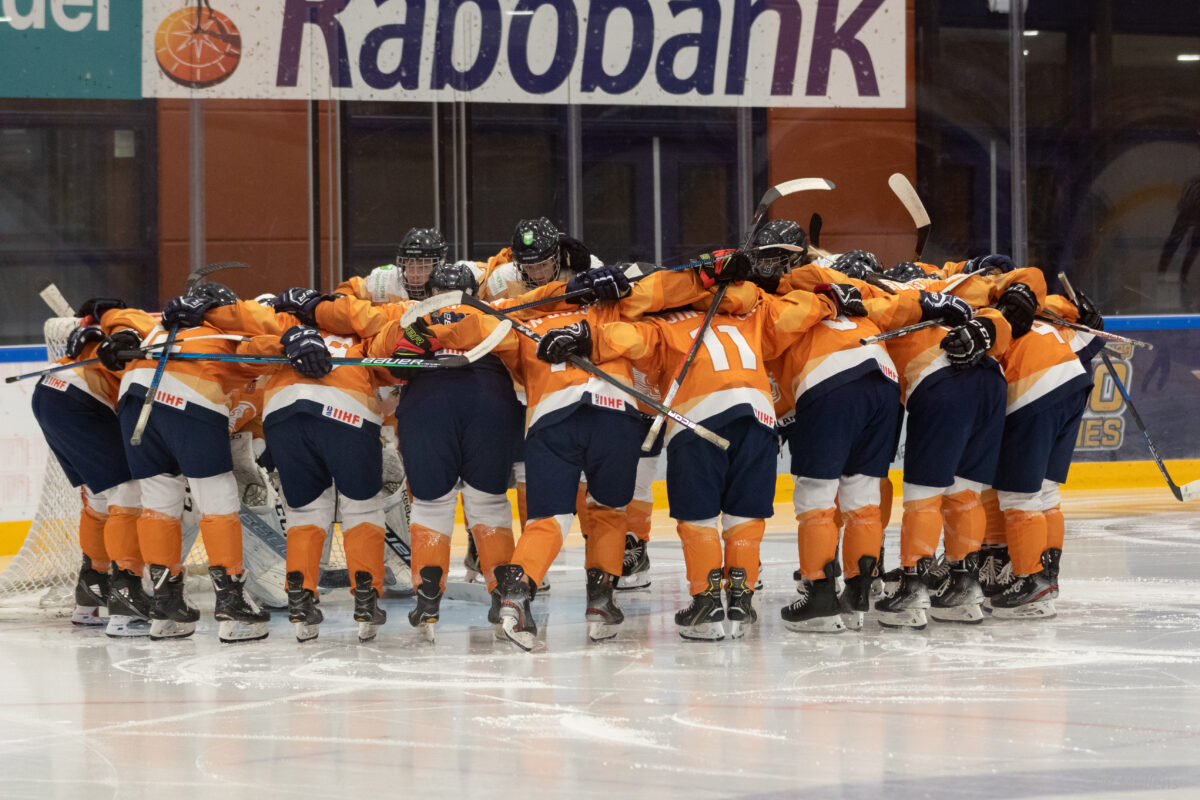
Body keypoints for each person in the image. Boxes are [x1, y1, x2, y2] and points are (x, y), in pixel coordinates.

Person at [110, 281, 290, 642]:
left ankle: (166, 605)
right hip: (189, 400)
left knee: (159, 504)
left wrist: (116, 334)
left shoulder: (158, 329)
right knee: (217, 498)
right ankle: (232, 602)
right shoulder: (224, 332)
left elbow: (120, 321)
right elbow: (262, 351)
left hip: (133, 398)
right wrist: (293, 346)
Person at [30, 298, 151, 636]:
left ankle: (91, 593)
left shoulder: (103, 334)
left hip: (50, 391)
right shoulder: (141, 322)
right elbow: (125, 323)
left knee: (99, 498)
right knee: (128, 492)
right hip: (80, 399)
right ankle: (126, 599)